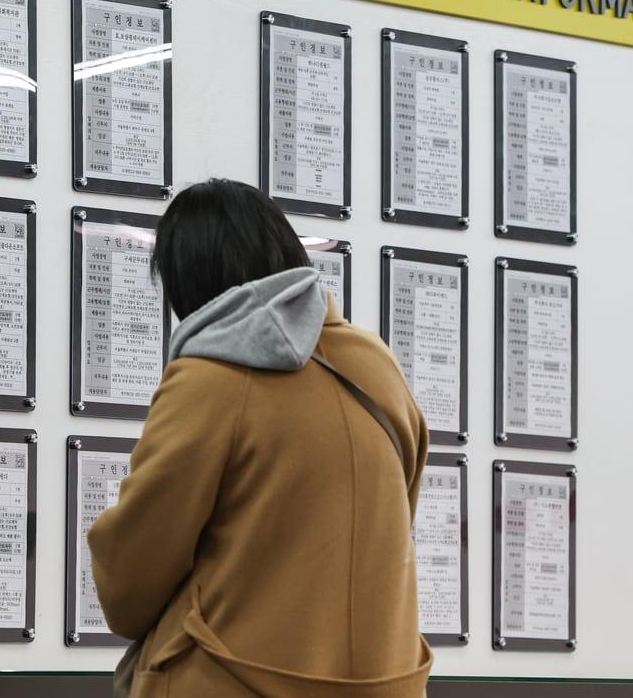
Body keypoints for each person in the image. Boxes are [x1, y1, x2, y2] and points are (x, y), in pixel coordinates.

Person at [88, 178, 433, 697]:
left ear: (188, 281)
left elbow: (131, 581)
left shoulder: (210, 380)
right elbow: (397, 512)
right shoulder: (377, 366)